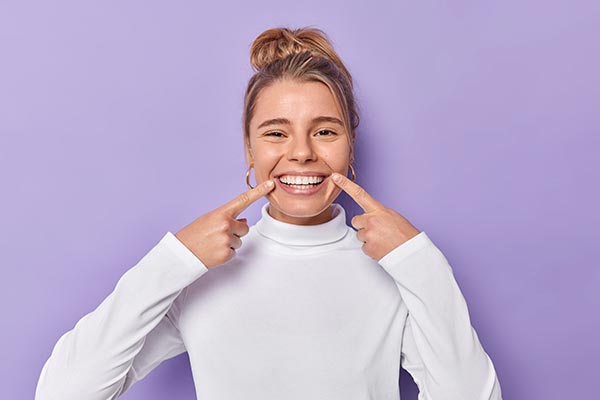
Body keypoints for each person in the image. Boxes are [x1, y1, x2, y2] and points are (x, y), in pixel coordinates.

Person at [35, 26, 502, 400]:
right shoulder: (200, 274)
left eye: (324, 131)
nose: (300, 153)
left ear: (350, 146)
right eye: (276, 134)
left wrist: (420, 261)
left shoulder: (395, 271)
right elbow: (63, 392)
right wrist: (173, 260)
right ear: (249, 149)